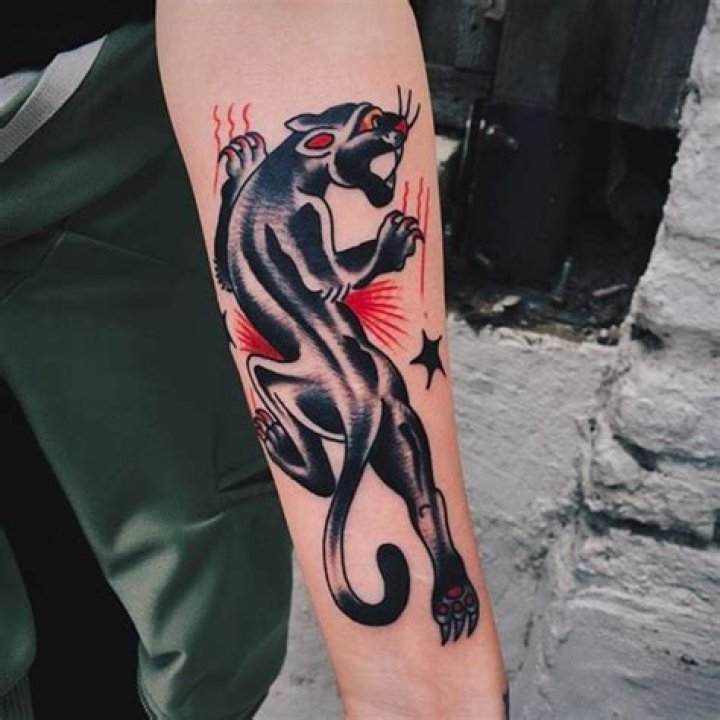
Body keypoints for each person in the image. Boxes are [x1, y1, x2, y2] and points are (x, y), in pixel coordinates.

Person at [1, 1, 507, 718]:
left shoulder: (279, 193)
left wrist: (412, 682)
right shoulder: (298, 206)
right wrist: (381, 251)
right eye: (372, 143)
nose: (380, 164)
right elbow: (324, 279)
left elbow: (295, 19)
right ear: (326, 143)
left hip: (99, 352)